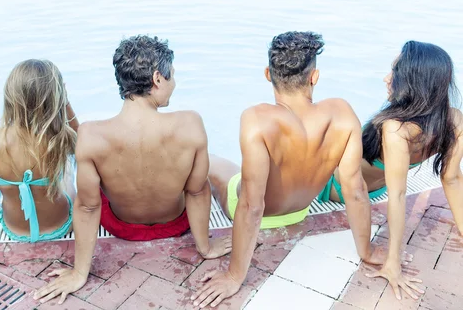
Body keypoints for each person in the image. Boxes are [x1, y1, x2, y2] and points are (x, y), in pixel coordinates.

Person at [34, 35, 231, 305]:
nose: (174, 83)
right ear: (157, 79)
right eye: (171, 76)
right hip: (175, 223)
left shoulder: (91, 135)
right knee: (204, 172)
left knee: (88, 188)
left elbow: (88, 208)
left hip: (121, 226)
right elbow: (197, 192)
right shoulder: (190, 124)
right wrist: (205, 248)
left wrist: (80, 273)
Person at [192, 31, 384, 308]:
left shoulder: (256, 118)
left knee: (207, 161)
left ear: (268, 74)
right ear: (314, 77)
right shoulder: (341, 113)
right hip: (300, 209)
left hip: (257, 211)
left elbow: (251, 205)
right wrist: (367, 250)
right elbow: (355, 190)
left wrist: (235, 276)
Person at [357, 41, 463, 300]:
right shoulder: (395, 127)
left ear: (415, 83)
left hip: (373, 187)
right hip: (336, 186)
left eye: (395, 73)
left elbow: (451, 177)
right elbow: (398, 196)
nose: (386, 79)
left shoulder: (453, 121)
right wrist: (393, 262)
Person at [0, 59, 79, 243]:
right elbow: (84, 143)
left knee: (3, 178)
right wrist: (66, 102)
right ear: (56, 98)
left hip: (14, 231)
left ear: (9, 97)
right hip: (61, 227)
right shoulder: (61, 138)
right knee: (68, 169)